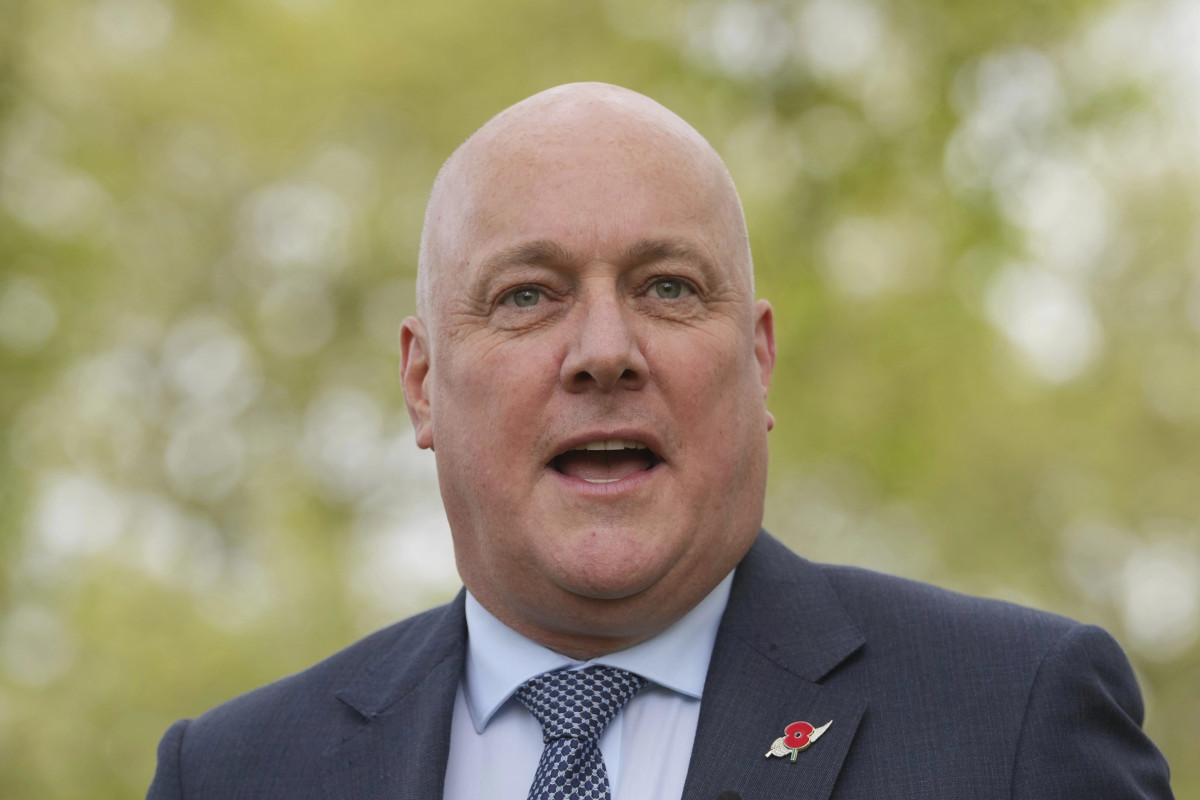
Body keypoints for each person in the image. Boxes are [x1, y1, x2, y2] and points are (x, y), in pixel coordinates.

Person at [147, 83, 1173, 799]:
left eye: (668, 287)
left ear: (758, 361)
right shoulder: (232, 773)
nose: (605, 352)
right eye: (528, 295)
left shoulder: (1013, 719)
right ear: (422, 384)